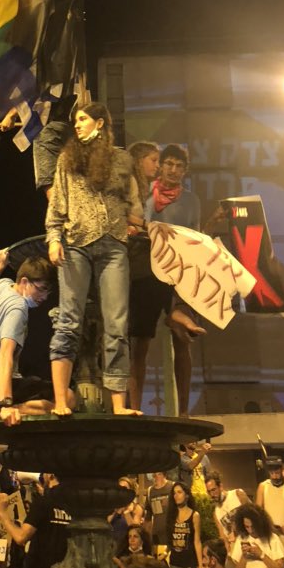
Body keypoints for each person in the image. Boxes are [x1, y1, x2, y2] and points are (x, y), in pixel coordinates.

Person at [46, 102, 143, 416]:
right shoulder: (67, 159)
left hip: (113, 246)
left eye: (83, 119)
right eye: (76, 120)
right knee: (68, 322)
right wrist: (53, 238)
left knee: (116, 324)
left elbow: (134, 202)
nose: (78, 124)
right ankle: (61, 401)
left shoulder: (122, 159)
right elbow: (57, 204)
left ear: (100, 123)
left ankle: (118, 404)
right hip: (76, 244)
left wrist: (134, 223)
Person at [0, 249, 64, 535]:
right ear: (26, 282)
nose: (43, 297)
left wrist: (0, 266)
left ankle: (11, 408)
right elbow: (4, 356)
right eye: (41, 289)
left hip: (10, 379)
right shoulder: (18, 308)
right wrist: (6, 402)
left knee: (65, 399)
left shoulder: (4, 285)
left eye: (49, 291)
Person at [142, 144, 206, 415]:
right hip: (148, 270)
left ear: (185, 170)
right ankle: (134, 407)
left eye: (179, 166)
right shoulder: (146, 194)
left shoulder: (192, 201)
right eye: (168, 164)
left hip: (180, 272)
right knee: (140, 339)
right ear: (161, 166)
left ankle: (183, 410)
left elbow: (195, 235)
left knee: (182, 339)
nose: (173, 170)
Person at [0, 472, 71, 568]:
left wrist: (2, 514)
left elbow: (21, 537)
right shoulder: (75, 507)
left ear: (51, 475)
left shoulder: (43, 503)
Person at [126, 141, 160, 411]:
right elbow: (122, 212)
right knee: (131, 341)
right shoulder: (128, 181)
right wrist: (146, 226)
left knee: (142, 342)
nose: (157, 167)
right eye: (154, 160)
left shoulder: (147, 192)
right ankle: (123, 403)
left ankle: (136, 404)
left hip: (146, 262)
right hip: (132, 265)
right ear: (139, 160)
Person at [256, 457, 284, 556]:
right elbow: (258, 514)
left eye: (277, 473)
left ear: (282, 470)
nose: (275, 477)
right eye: (272, 473)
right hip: (272, 545)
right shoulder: (263, 487)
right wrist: (269, 526)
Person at [206, 471, 250, 552]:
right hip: (234, 549)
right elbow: (223, 538)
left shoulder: (237, 494)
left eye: (214, 490)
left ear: (221, 486)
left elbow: (253, 516)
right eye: (209, 492)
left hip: (249, 542)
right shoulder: (216, 513)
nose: (212, 494)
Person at [165, 482, 202, 568]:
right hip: (174, 563)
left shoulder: (195, 515)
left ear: (187, 495)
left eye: (179, 492)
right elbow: (169, 539)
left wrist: (201, 566)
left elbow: (197, 542)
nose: (176, 495)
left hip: (190, 563)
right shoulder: (171, 515)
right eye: (174, 493)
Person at [144, 472, 173, 552]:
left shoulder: (172, 487)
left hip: (171, 534)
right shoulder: (150, 491)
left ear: (164, 475)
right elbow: (148, 516)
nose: (155, 477)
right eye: (154, 475)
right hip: (157, 535)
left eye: (158, 474)